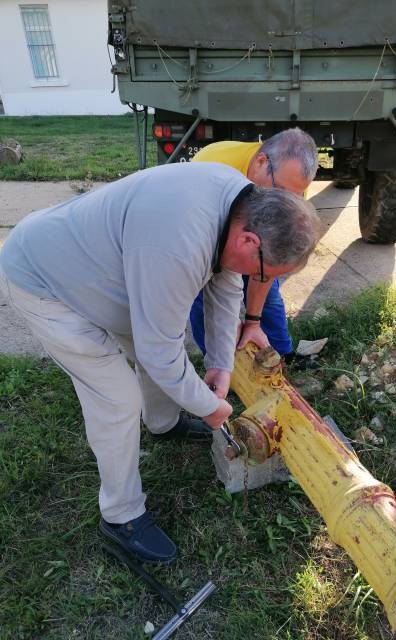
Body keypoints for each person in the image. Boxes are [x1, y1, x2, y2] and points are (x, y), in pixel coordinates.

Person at [0, 162, 320, 564]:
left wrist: (221, 363)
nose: (260, 281)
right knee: (117, 399)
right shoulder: (178, 245)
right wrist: (213, 409)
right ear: (250, 241)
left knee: (158, 341)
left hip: (108, 268)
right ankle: (120, 516)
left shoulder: (241, 204)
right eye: (265, 274)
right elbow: (160, 354)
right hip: (46, 281)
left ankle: (164, 424)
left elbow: (224, 284)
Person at [190, 127, 318, 361]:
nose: (285, 200)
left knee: (268, 292)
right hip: (207, 229)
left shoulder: (292, 185)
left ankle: (281, 356)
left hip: (246, 229)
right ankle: (220, 366)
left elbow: (272, 260)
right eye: (280, 190)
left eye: (295, 196)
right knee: (204, 296)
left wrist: (252, 321)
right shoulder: (213, 166)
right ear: (261, 162)